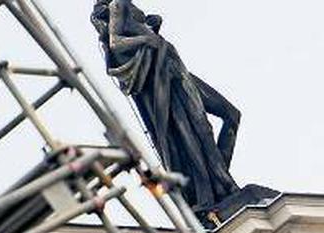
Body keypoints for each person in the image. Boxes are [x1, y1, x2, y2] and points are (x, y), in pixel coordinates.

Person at [91, 0, 246, 218]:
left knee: (230, 115)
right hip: (166, 75)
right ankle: (216, 187)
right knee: (198, 132)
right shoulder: (119, 4)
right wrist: (148, 38)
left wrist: (150, 27)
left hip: (176, 70)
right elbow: (116, 43)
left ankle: (220, 179)